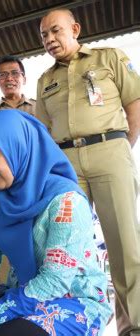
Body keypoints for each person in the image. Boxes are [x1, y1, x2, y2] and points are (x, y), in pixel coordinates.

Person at [0, 109, 112, 336]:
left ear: (18, 150)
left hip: (72, 299)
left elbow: (55, 281)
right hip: (23, 292)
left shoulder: (67, 201)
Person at [36, 9, 140, 336]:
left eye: (55, 31)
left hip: (109, 150)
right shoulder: (44, 80)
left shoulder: (109, 58)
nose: (50, 40)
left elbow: (134, 104)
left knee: (124, 245)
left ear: (75, 29)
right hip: (65, 164)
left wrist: (121, 148)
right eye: (44, 36)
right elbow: (43, 130)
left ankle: (132, 327)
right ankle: (72, 322)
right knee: (66, 246)